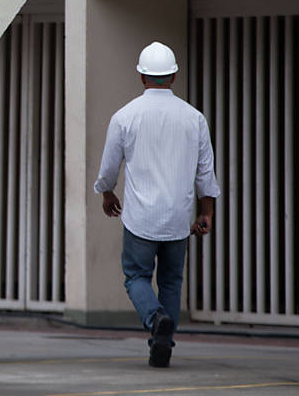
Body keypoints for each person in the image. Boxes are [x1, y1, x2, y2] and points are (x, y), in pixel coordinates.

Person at [94, 41, 219, 368]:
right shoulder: (195, 119)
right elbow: (205, 172)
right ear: (174, 76)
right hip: (178, 219)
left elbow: (109, 168)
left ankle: (155, 320)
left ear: (141, 77)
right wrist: (206, 212)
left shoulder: (124, 117)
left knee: (136, 276)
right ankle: (162, 342)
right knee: (171, 282)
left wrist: (107, 192)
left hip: (140, 219)